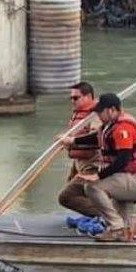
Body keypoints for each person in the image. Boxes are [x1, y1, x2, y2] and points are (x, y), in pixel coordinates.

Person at [61, 93, 136, 242]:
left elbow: (123, 159)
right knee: (120, 212)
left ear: (111, 110)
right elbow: (95, 138)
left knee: (92, 187)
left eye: (100, 112)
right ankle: (123, 233)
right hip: (126, 178)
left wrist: (98, 176)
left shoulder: (123, 128)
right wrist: (72, 141)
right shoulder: (110, 125)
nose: (98, 116)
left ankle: (117, 228)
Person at [57, 81, 102, 217]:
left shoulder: (96, 115)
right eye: (71, 98)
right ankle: (101, 215)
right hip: (79, 164)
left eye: (76, 98)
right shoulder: (78, 114)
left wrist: (72, 142)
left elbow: (97, 138)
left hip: (93, 166)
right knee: (72, 190)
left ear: (88, 97)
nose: (72, 101)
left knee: (66, 197)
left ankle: (107, 216)